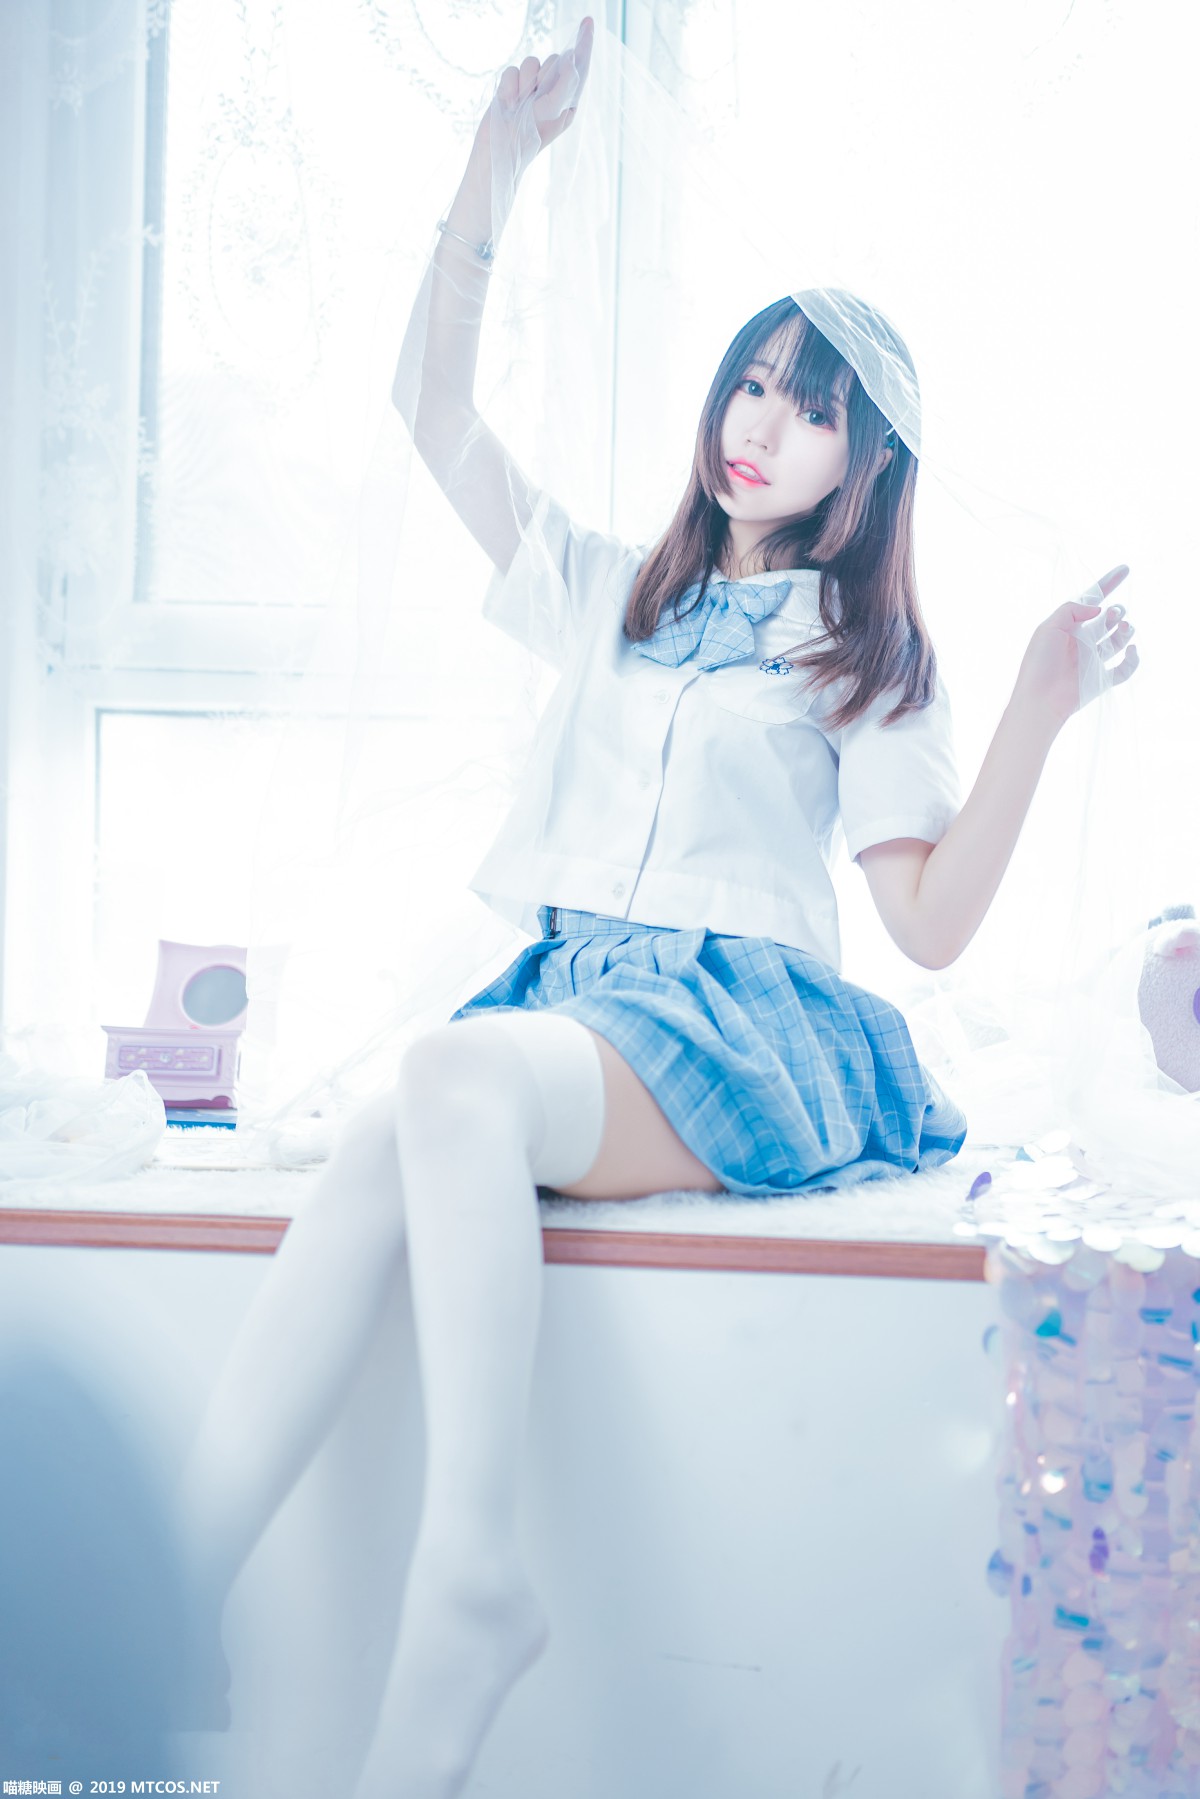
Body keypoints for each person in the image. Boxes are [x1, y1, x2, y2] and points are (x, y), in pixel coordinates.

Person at [173, 17, 1139, 1798]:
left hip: (735, 1024)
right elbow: (433, 412)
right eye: (752, 384)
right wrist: (498, 164)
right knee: (390, 1125)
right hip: (582, 996)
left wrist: (1037, 706)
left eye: (815, 408)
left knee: (448, 1079)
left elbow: (928, 928)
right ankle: (169, 1585)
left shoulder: (864, 658)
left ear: (866, 466)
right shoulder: (616, 595)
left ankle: (470, 1578)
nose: (763, 424)